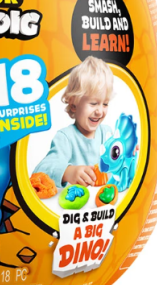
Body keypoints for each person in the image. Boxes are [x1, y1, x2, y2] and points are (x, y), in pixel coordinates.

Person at [33, 56, 113, 188]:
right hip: (73, 199)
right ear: (73, 104)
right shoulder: (65, 138)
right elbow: (40, 171)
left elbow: (118, 162)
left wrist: (128, 151)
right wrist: (67, 172)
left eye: (105, 104)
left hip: (105, 198)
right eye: (93, 103)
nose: (99, 111)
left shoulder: (107, 133)